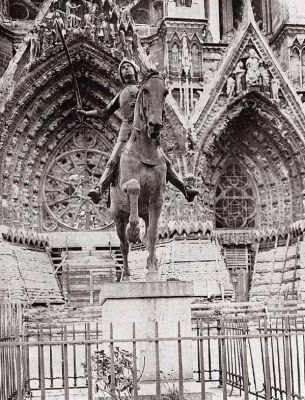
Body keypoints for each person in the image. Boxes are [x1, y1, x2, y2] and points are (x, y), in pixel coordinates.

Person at [77, 59, 199, 204]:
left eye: (129, 66)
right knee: (112, 160)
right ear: (121, 75)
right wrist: (86, 113)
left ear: (135, 71)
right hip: (125, 132)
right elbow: (104, 112)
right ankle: (99, 189)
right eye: (123, 68)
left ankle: (185, 189)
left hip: (144, 130)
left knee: (165, 161)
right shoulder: (121, 93)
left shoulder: (143, 88)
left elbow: (155, 102)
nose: (126, 69)